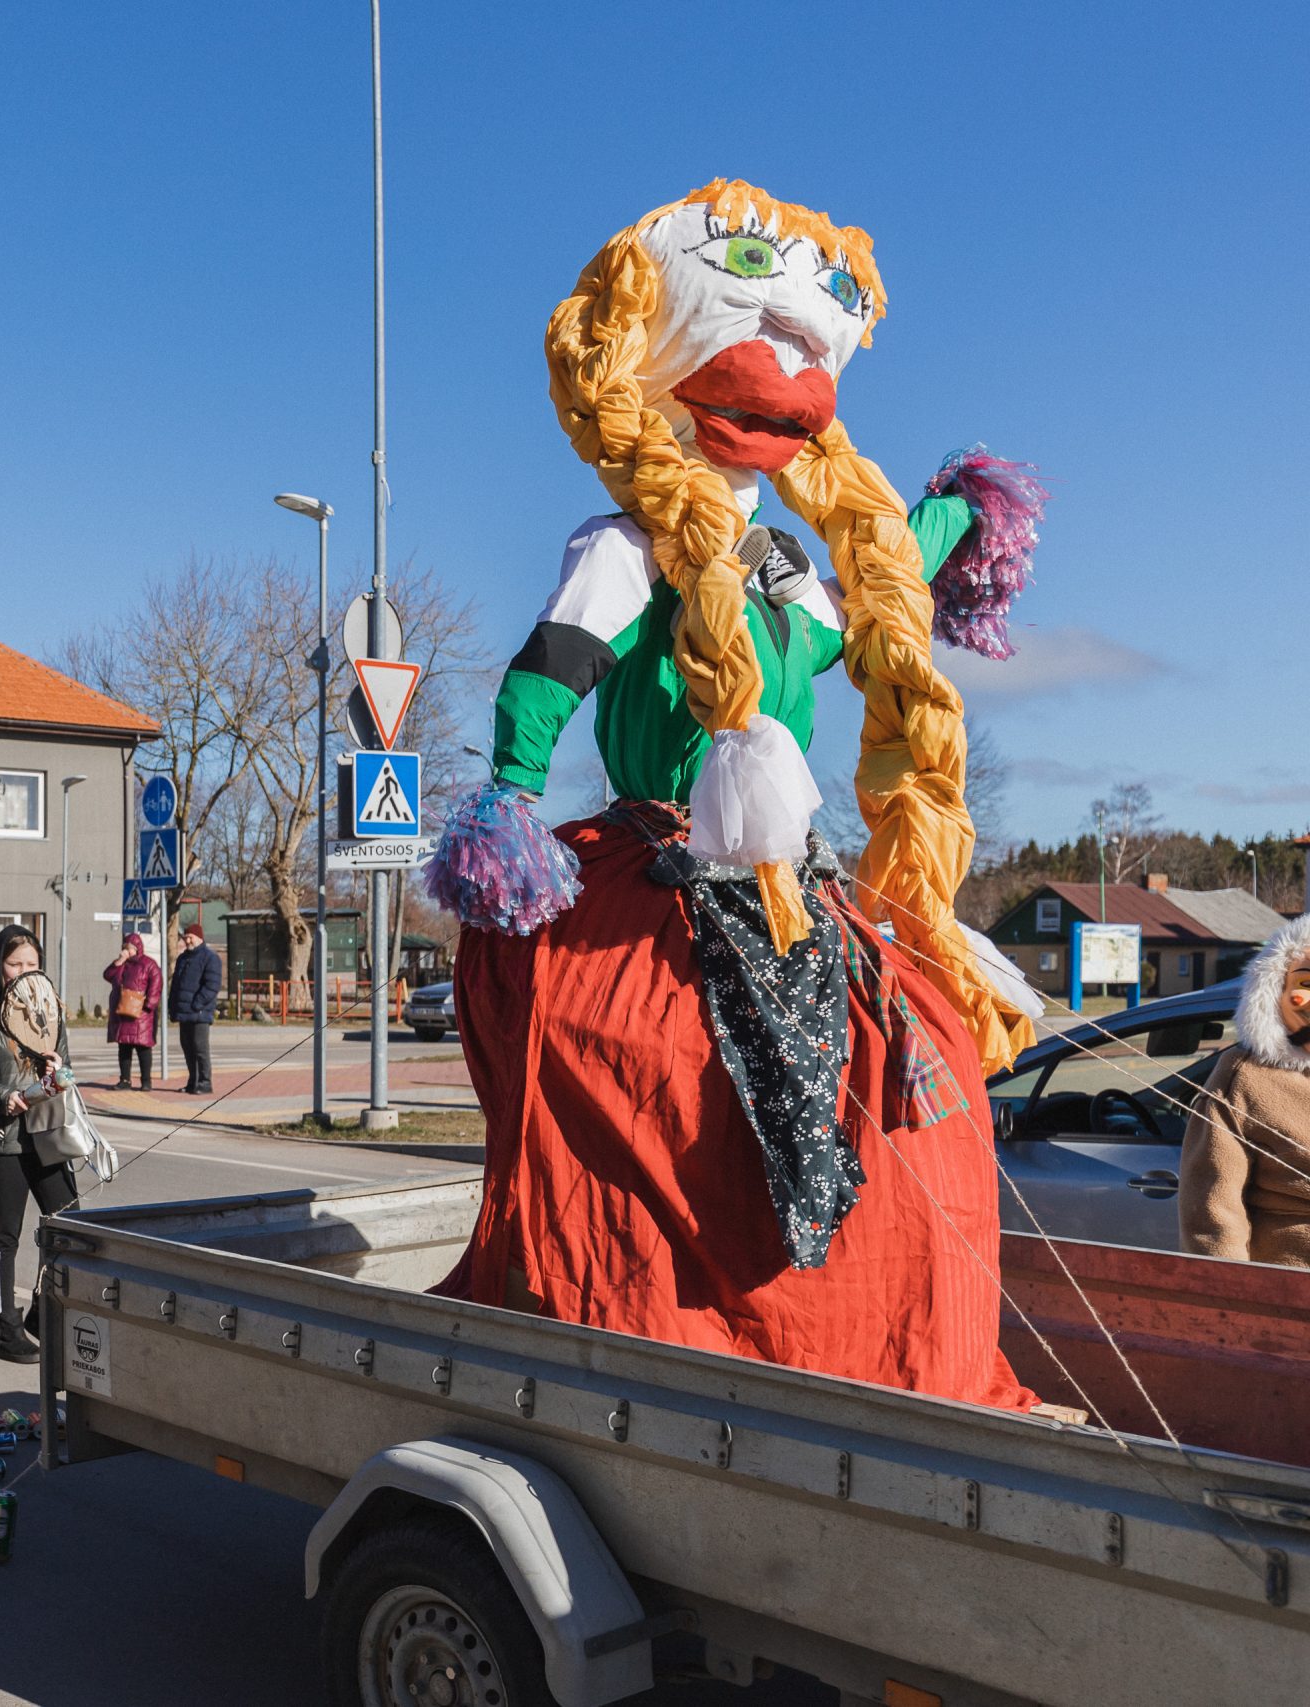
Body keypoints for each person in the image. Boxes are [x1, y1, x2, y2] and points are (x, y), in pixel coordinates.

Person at [414, 179, 1044, 1408]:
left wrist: (934, 520)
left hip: (787, 871)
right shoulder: (621, 547)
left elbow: (828, 632)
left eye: (813, 347)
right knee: (636, 1054)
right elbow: (557, 662)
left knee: (916, 1057)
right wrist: (507, 796)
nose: (788, 375)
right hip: (652, 852)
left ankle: (868, 1341)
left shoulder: (784, 564)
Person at [0, 923, 78, 1364]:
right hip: (0, 1142)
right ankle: (6, 1328)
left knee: (70, 1226)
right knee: (3, 1238)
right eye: (15, 964)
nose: (24, 972)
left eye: (32, 964)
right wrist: (2, 1098)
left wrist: (59, 1073)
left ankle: (44, 1310)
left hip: (48, 1136)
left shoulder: (51, 1012)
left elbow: (65, 1070)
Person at [1182, 916, 1310, 1267]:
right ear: (1272, 992)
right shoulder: (1245, 1076)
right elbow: (1213, 1216)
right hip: (1290, 1294)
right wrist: (1237, 1301)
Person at [102, 932, 164, 1091]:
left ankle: (146, 1081)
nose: (126, 951)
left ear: (137, 948)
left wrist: (149, 1004)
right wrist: (119, 961)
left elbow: (156, 983)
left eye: (129, 948)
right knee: (124, 1048)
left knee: (143, 1048)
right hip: (122, 1012)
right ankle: (125, 1080)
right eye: (125, 948)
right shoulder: (122, 964)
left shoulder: (149, 964)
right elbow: (107, 975)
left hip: (141, 1014)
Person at [169, 922, 222, 1095]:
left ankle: (205, 1082)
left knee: (200, 1049)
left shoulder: (210, 958)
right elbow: (176, 985)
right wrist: (173, 1006)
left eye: (189, 937)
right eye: (185, 937)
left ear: (199, 937)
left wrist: (196, 1004)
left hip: (199, 1013)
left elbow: (212, 986)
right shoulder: (183, 958)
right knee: (188, 1049)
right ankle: (193, 1082)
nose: (187, 940)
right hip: (184, 1013)